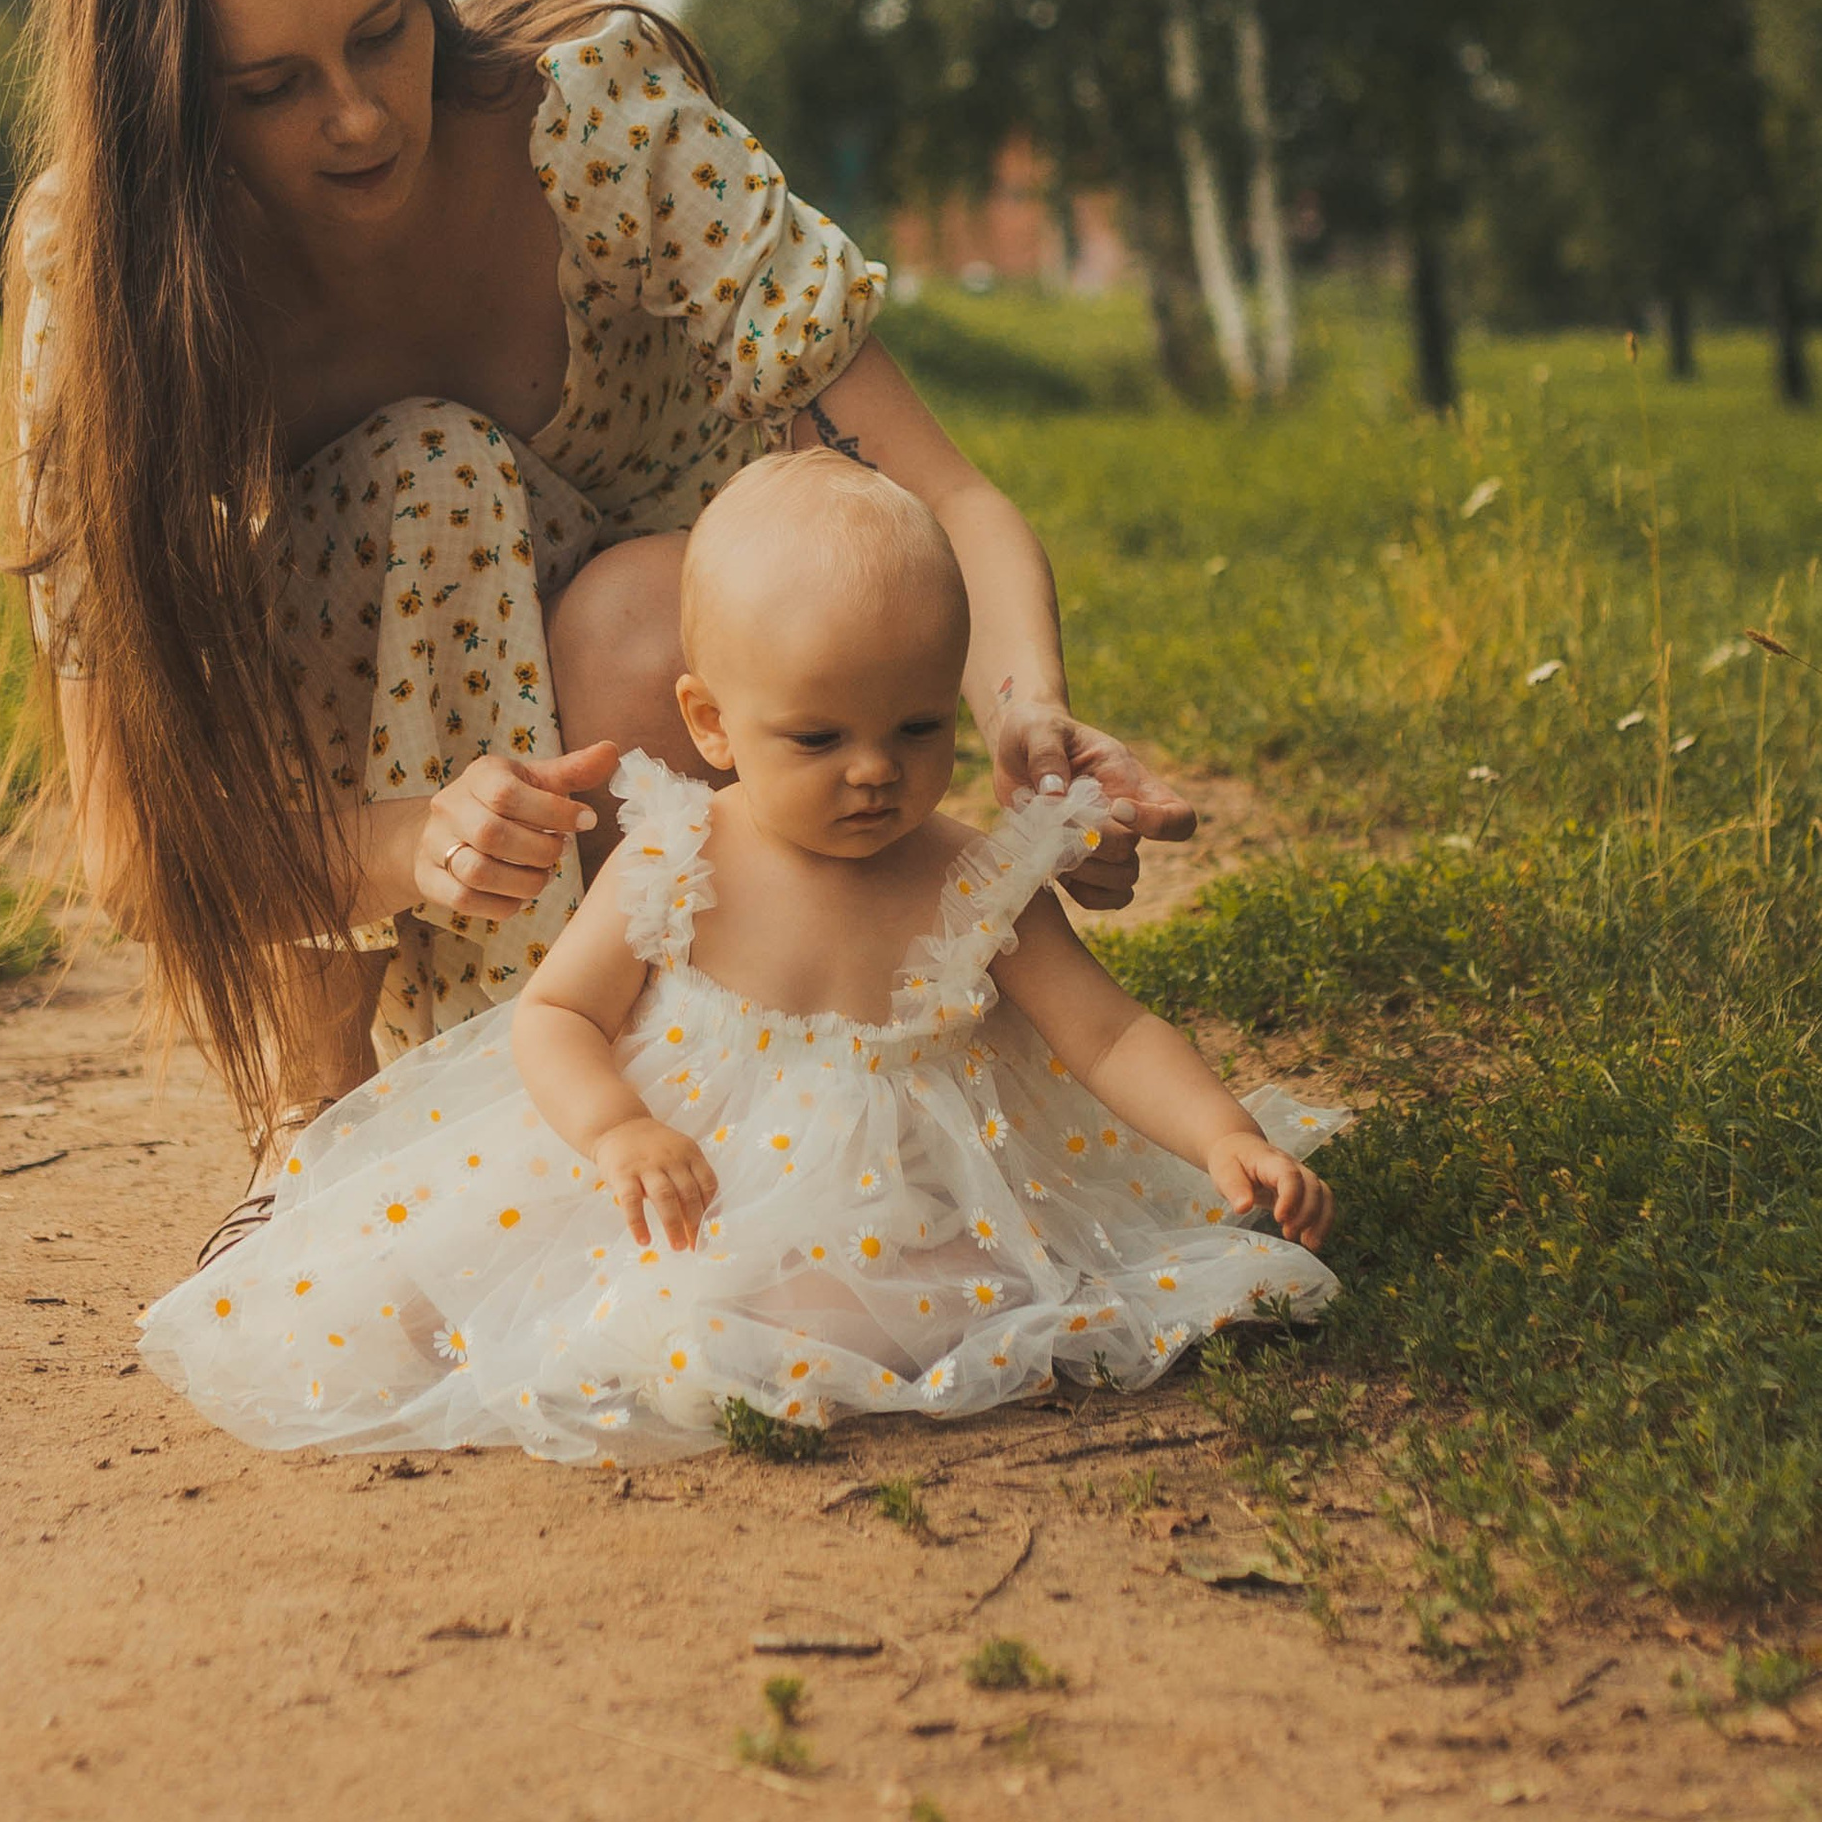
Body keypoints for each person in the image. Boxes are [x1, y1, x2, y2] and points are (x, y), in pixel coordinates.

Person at [0, 0, 1194, 1250]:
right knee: (426, 469)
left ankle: (721, 1082)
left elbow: (946, 496)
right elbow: (130, 848)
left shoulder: (595, 121)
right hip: (395, 807)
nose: (355, 120)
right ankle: (322, 1119)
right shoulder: (115, 281)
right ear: (167, 118)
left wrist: (1030, 721)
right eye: (270, 91)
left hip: (685, 736)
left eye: (384, 36)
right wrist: (419, 843)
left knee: (642, 614)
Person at [137, 451, 1339, 1460]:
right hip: (699, 1173)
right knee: (496, 1288)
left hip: (911, 1183)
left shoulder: (972, 875)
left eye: (917, 727)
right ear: (709, 720)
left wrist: (1221, 1134)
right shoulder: (676, 851)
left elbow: (1106, 1030)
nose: (874, 770)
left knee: (939, 1295)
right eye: (817, 736)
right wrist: (617, 1129)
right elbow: (554, 1017)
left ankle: (875, 1334)